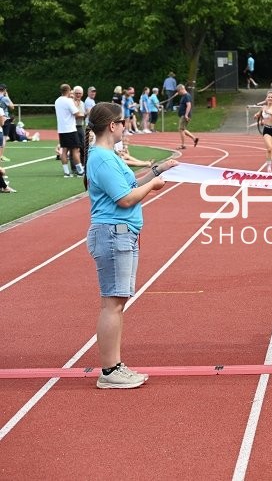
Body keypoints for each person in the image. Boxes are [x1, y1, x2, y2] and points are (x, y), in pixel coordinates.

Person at [83, 102, 178, 388]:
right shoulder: (101, 158)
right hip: (114, 233)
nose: (126, 126)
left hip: (120, 232)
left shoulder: (107, 156)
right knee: (113, 302)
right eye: (123, 122)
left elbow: (128, 186)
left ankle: (114, 365)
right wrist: (153, 186)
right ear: (112, 126)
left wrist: (158, 170)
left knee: (115, 302)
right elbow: (125, 199)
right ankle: (110, 371)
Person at [55, 84, 85, 177]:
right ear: (68, 91)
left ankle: (66, 172)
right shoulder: (68, 101)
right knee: (75, 150)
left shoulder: (57, 101)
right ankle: (80, 171)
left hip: (62, 129)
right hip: (70, 129)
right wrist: (86, 114)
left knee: (64, 150)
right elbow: (77, 113)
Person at [176, 84, 199, 149]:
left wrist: (186, 115)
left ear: (181, 89)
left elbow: (189, 105)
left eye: (178, 91)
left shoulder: (186, 96)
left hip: (184, 115)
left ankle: (183, 145)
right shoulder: (184, 96)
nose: (178, 92)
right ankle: (194, 139)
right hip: (183, 115)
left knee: (181, 129)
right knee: (183, 129)